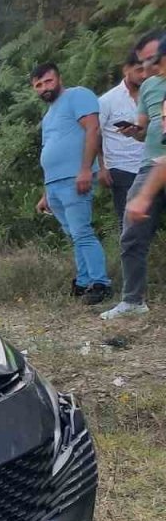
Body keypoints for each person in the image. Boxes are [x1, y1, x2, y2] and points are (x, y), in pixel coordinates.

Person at [32, 62, 111, 304]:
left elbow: (92, 130)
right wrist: (46, 193)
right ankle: (84, 281)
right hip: (54, 185)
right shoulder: (48, 116)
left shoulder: (78, 95)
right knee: (73, 234)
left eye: (48, 81)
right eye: (38, 85)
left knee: (82, 232)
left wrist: (86, 169)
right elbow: (48, 150)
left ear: (59, 79)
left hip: (74, 178)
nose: (44, 88)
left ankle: (101, 283)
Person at [103, 32, 164, 320]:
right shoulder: (151, 87)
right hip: (150, 164)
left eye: (153, 59)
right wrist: (135, 131)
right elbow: (146, 130)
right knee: (131, 232)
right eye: (142, 62)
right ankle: (133, 301)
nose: (148, 68)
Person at [98, 47, 149, 226]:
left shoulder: (151, 95)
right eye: (138, 70)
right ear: (126, 69)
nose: (143, 75)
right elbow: (96, 134)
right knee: (128, 222)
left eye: (146, 69)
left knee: (150, 219)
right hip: (122, 168)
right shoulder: (107, 101)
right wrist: (102, 167)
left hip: (150, 164)